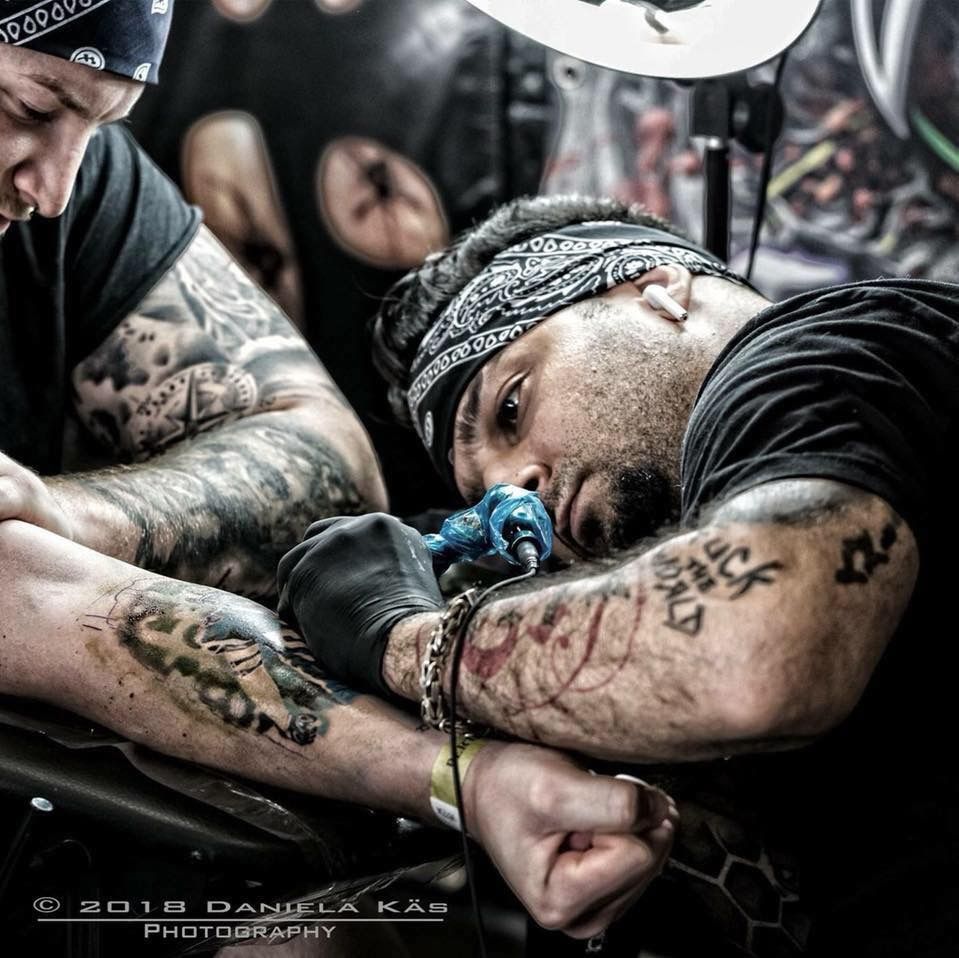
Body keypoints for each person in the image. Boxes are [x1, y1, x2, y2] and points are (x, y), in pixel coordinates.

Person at [0, 9, 677, 945]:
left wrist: (59, 508)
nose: (56, 188)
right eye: (27, 107)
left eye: (97, 128)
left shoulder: (76, 183)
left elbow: (319, 458)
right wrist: (454, 768)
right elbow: (27, 604)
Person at [278, 193, 959, 956]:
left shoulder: (823, 349)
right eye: (484, 491)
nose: (514, 486)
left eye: (510, 407)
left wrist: (399, 635)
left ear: (655, 288)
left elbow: (749, 659)